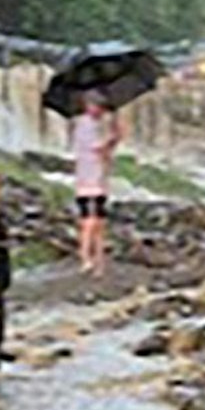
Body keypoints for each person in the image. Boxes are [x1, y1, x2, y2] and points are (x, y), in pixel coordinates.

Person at [71, 90, 122, 277]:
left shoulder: (98, 124)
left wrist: (113, 139)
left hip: (99, 177)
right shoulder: (83, 124)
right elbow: (98, 148)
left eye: (101, 107)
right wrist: (114, 138)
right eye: (96, 106)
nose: (99, 110)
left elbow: (105, 153)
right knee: (89, 221)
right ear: (87, 105)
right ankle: (85, 257)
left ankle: (99, 263)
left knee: (99, 222)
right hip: (86, 178)